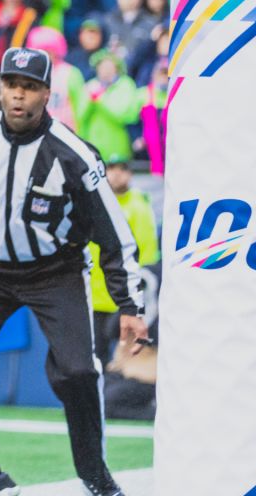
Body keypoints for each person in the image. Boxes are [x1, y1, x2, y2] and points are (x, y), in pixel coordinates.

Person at [0, 47, 148, 496]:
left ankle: (94, 474)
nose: (19, 96)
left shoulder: (74, 155)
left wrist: (130, 307)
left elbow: (114, 236)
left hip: (55, 271)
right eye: (12, 85)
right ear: (1, 89)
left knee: (78, 372)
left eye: (30, 88)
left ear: (46, 94)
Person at [89, 156, 159, 368]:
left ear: (130, 174)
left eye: (122, 169)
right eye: (111, 168)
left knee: (129, 355)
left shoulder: (139, 205)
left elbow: (147, 252)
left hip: (124, 298)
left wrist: (136, 292)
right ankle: (100, 400)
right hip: (95, 296)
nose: (116, 173)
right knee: (95, 356)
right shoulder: (96, 202)